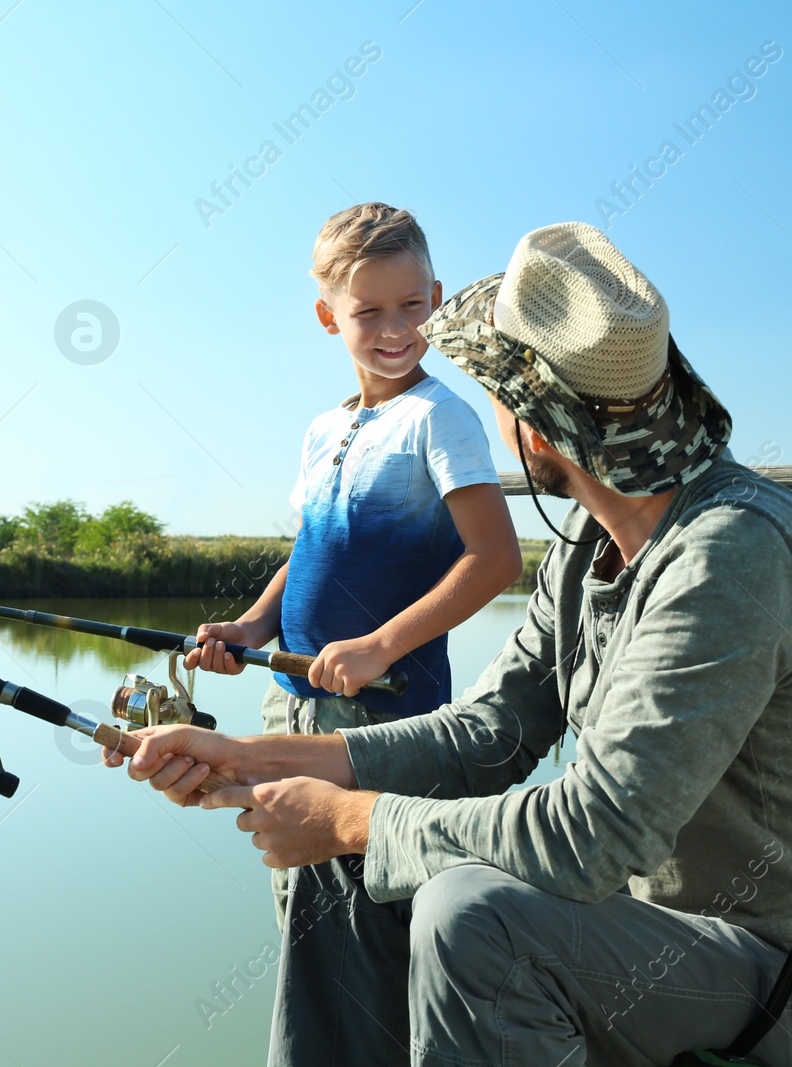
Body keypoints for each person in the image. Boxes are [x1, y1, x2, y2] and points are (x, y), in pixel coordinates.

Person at [111, 223, 792, 1066]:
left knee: (473, 915)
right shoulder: (585, 543)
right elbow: (487, 732)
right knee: (345, 863)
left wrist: (352, 818)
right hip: (660, 945)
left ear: (535, 432)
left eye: (499, 393)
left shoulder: (733, 551)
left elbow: (593, 835)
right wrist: (255, 757)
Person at [185, 202, 523, 927]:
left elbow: (496, 559)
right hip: (292, 700)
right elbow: (312, 546)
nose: (396, 329)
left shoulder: (441, 418)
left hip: (384, 716)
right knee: (301, 897)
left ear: (436, 300)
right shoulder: (322, 428)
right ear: (328, 317)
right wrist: (251, 627)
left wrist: (379, 646)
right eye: (369, 311)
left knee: (371, 910)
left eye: (411, 305)